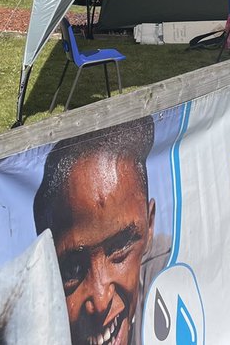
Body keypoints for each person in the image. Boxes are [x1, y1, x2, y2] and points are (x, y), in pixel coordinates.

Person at [32, 117, 157, 345]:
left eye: (119, 249)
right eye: (73, 269)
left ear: (150, 225)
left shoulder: (179, 277)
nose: (100, 301)